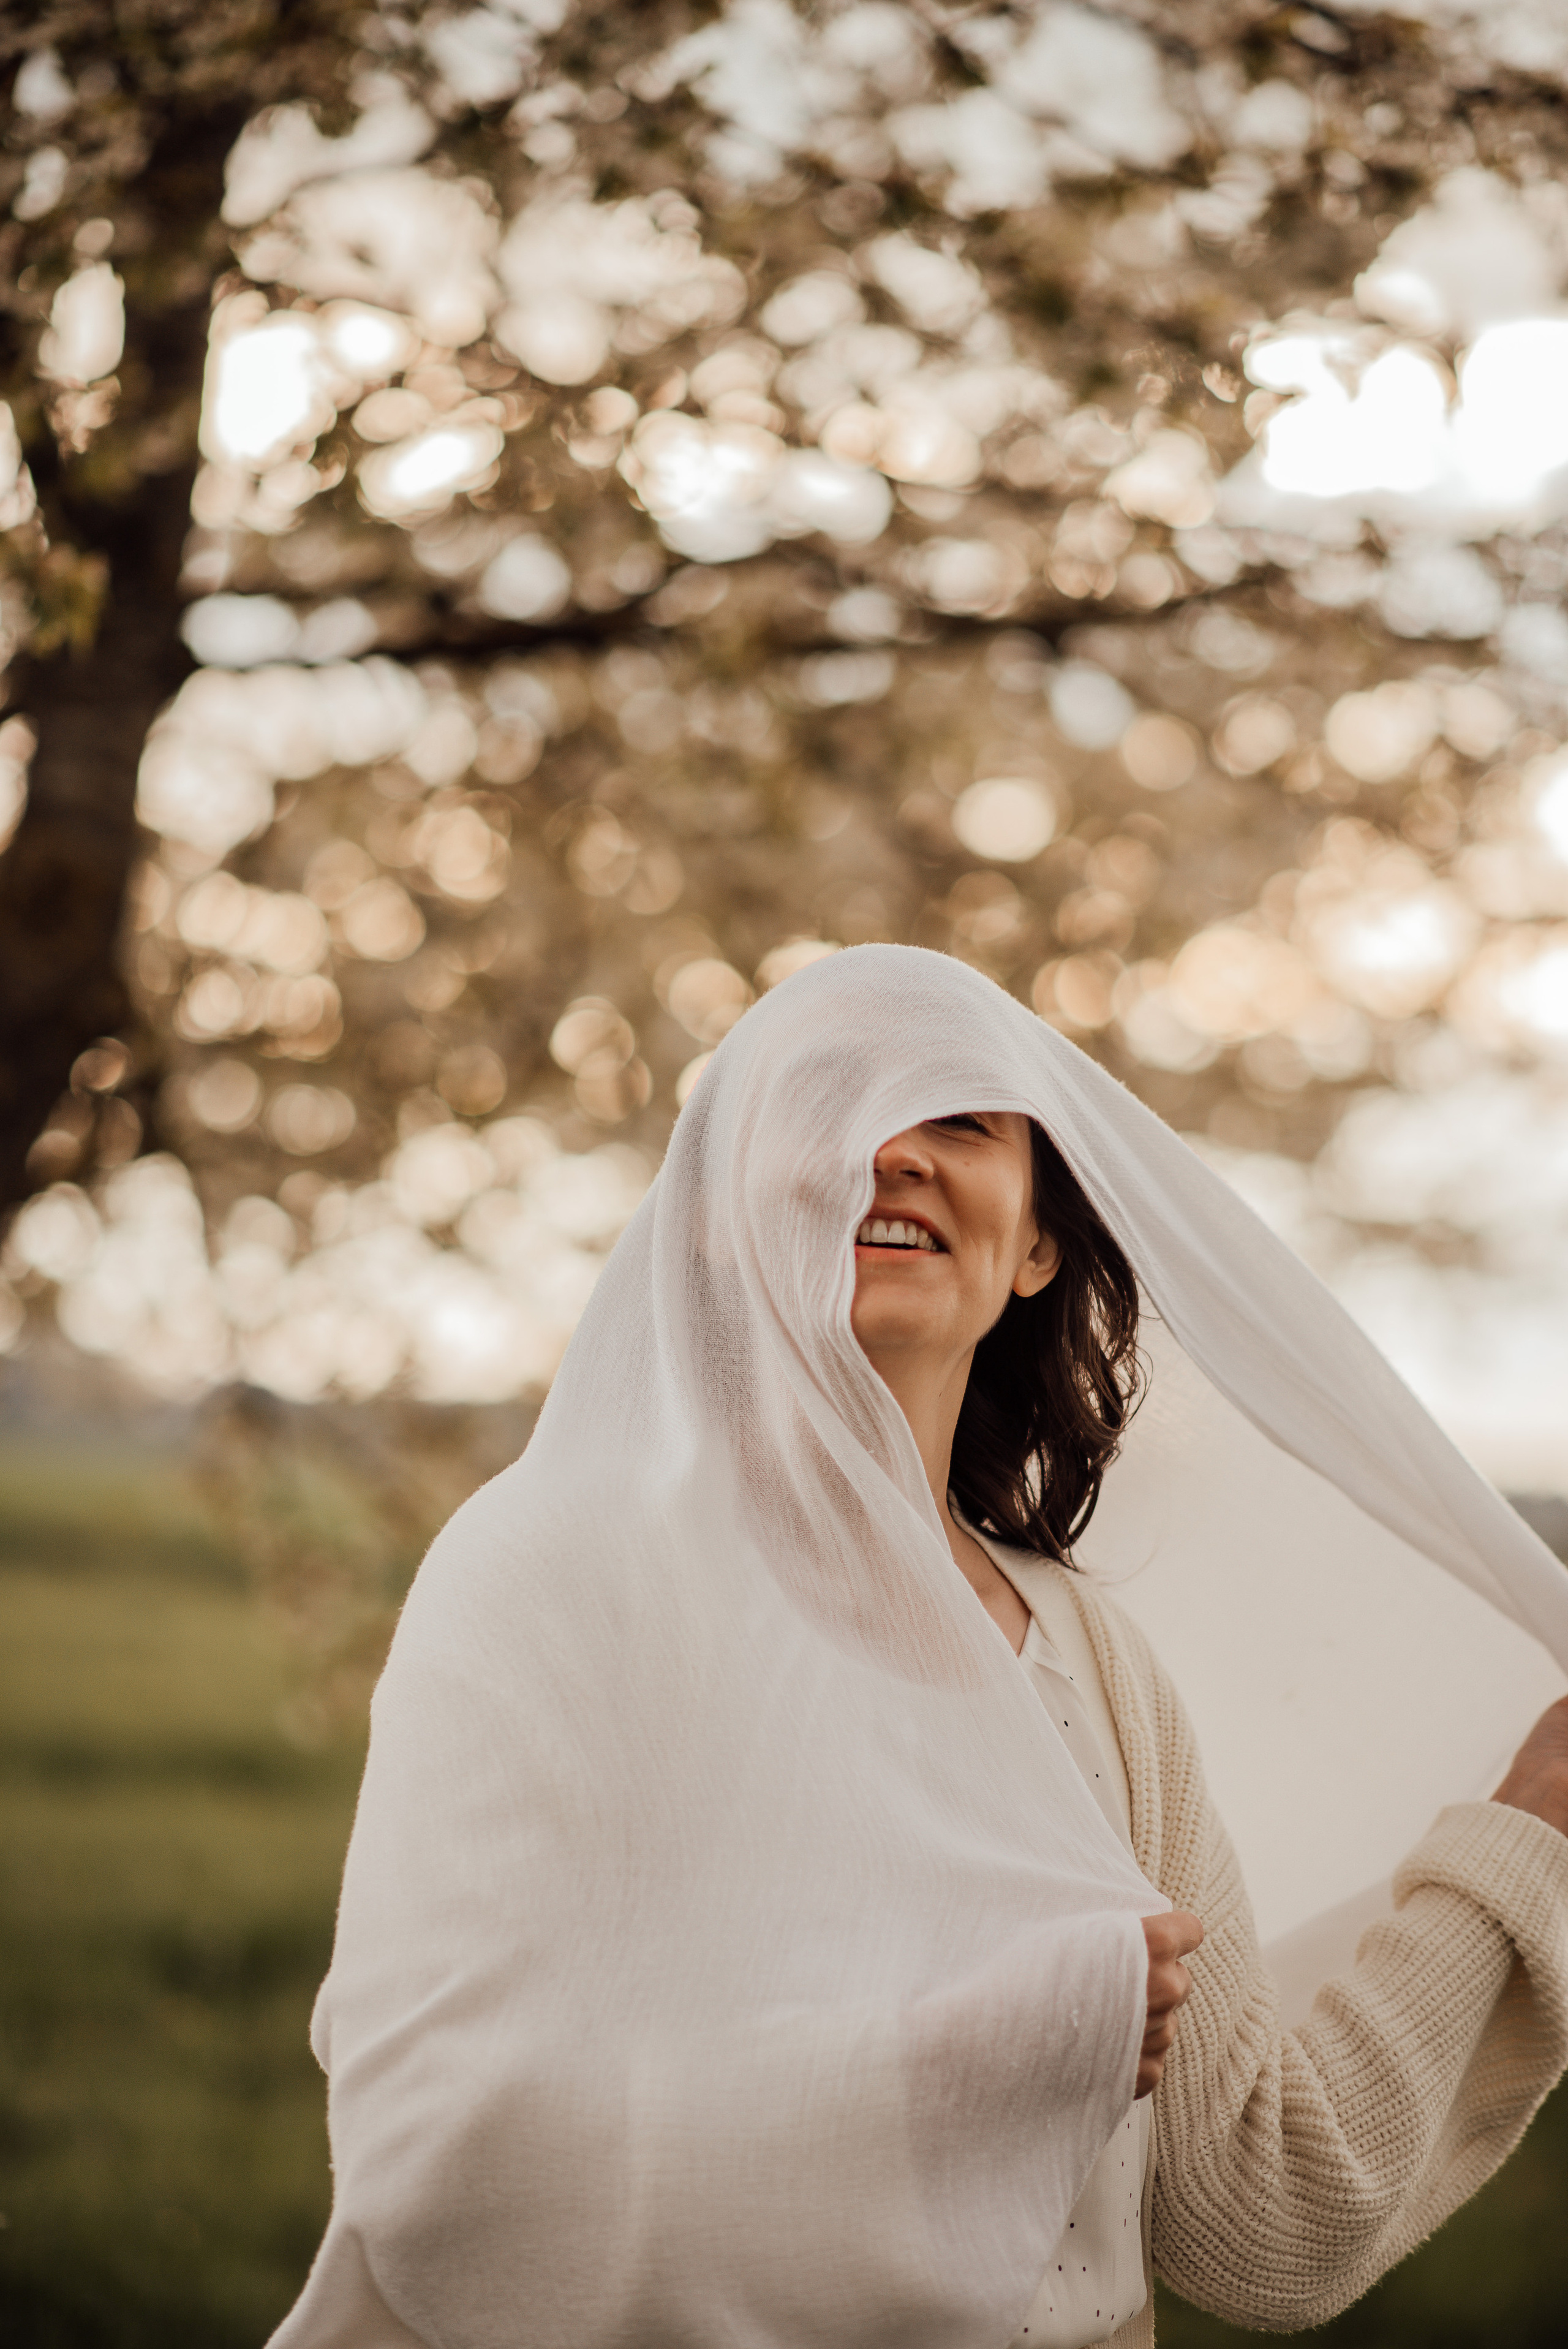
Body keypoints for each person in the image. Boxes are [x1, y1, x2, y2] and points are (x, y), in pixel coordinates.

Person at [271, 945, 1568, 2349]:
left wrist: (1520, 1839)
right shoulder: (548, 1579)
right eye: (823, 1104)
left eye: (955, 1115)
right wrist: (979, 2061)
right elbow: (438, 2153)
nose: (889, 1150)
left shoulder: (1095, 1669)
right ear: (706, 1218)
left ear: (1037, 1242)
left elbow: (1261, 2215)